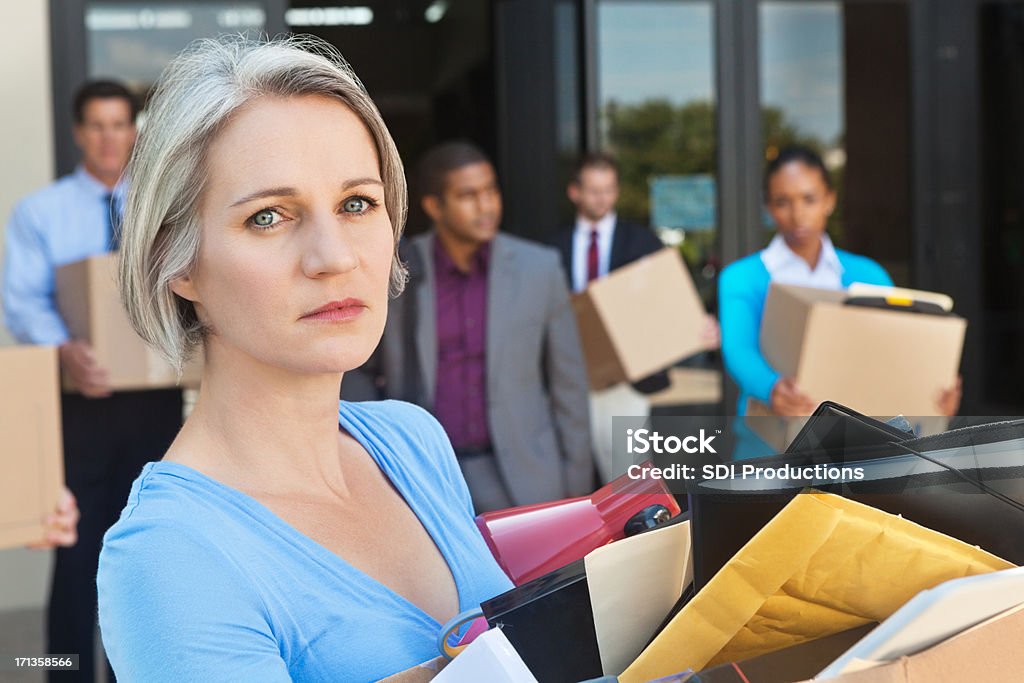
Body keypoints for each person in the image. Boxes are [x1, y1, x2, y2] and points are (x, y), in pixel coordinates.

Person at [96, 36, 513, 681]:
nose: (334, 257)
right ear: (176, 264)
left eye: (356, 204)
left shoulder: (412, 440)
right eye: (269, 217)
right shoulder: (169, 556)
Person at [2, 79, 184, 682]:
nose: (110, 139)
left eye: (120, 124)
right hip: (79, 406)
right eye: (97, 126)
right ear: (80, 132)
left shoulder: (165, 207)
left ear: (136, 130)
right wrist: (63, 349)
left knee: (152, 551)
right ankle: (64, 672)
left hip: (157, 405)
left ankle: (147, 670)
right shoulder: (41, 212)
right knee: (77, 556)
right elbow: (21, 298)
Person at [342, 141, 593, 512]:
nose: (486, 205)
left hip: (527, 478)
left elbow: (568, 385)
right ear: (434, 207)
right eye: (468, 195)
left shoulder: (539, 269)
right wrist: (379, 448)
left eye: (491, 191)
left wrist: (577, 490)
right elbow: (356, 366)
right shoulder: (397, 270)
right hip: (426, 480)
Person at [718, 145, 961, 439]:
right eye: (783, 202)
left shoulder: (869, 275)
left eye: (809, 199)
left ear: (829, 200)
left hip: (860, 437)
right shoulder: (741, 278)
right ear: (768, 208)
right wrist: (771, 388)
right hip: (770, 438)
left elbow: (897, 348)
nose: (797, 215)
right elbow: (739, 349)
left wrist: (933, 389)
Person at [547, 153, 719, 482]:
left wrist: (697, 326)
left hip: (627, 377)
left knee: (629, 478)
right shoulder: (553, 248)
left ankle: (638, 533)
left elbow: (672, 302)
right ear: (575, 192)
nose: (602, 198)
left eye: (609, 189)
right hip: (572, 376)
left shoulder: (644, 242)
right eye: (594, 190)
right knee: (572, 477)